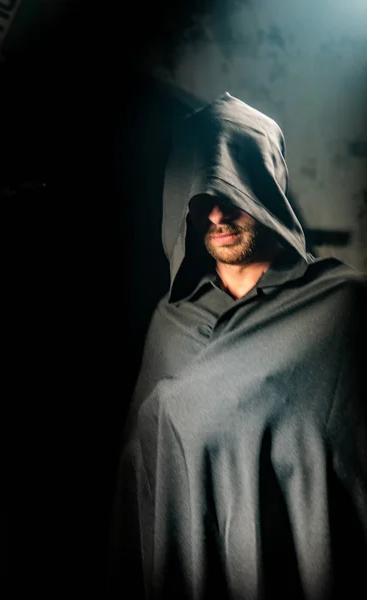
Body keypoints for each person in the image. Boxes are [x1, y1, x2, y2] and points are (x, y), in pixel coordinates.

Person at [108, 92, 367, 600]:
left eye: (232, 193)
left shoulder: (344, 309)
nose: (218, 215)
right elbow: (142, 478)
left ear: (267, 187)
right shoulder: (172, 321)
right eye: (200, 199)